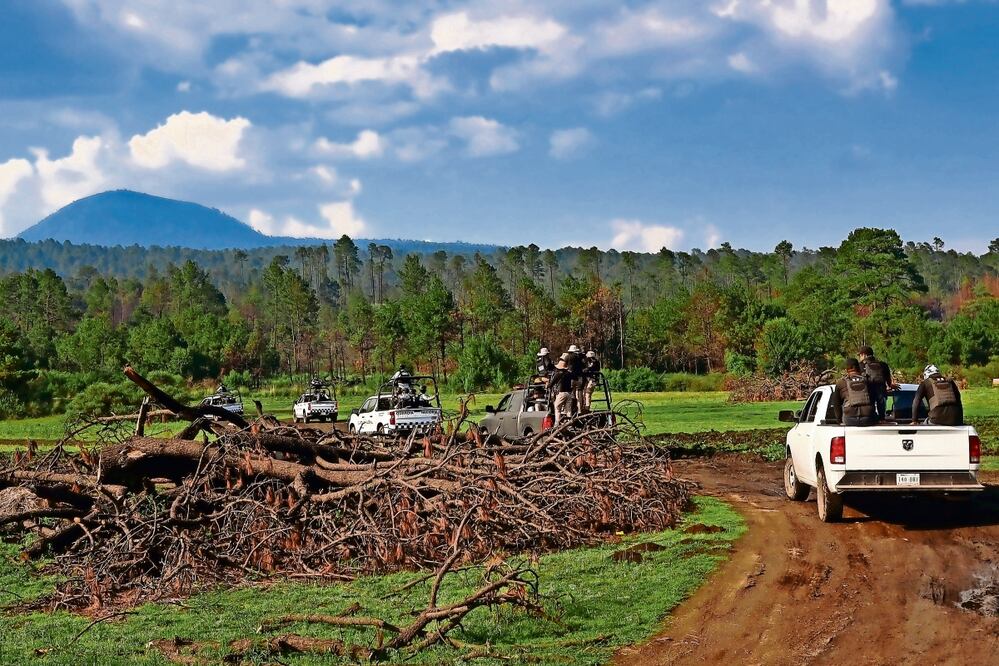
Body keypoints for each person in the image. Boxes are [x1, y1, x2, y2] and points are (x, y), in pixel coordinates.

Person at [832, 358, 878, 427]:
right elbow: (875, 398)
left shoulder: (841, 383)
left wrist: (839, 420)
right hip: (868, 419)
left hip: (849, 419)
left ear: (847, 369)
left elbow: (836, 404)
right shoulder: (868, 381)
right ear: (858, 368)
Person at [858, 345, 892, 420]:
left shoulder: (860, 366)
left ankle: (871, 417)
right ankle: (882, 419)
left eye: (860, 355)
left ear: (864, 355)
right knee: (881, 405)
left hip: (867, 392)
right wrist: (890, 385)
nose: (859, 357)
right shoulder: (883, 365)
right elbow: (888, 380)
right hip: (881, 391)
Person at [549, 354, 574, 425]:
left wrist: (548, 386)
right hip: (569, 393)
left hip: (561, 393)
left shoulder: (558, 374)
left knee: (557, 407)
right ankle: (569, 424)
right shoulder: (569, 373)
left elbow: (551, 384)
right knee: (568, 410)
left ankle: (557, 423)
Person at [566, 344, 584, 415]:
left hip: (571, 378)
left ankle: (571, 409)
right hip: (579, 378)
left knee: (571, 394)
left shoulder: (568, 357)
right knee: (579, 395)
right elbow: (583, 366)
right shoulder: (579, 357)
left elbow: (564, 365)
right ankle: (579, 410)